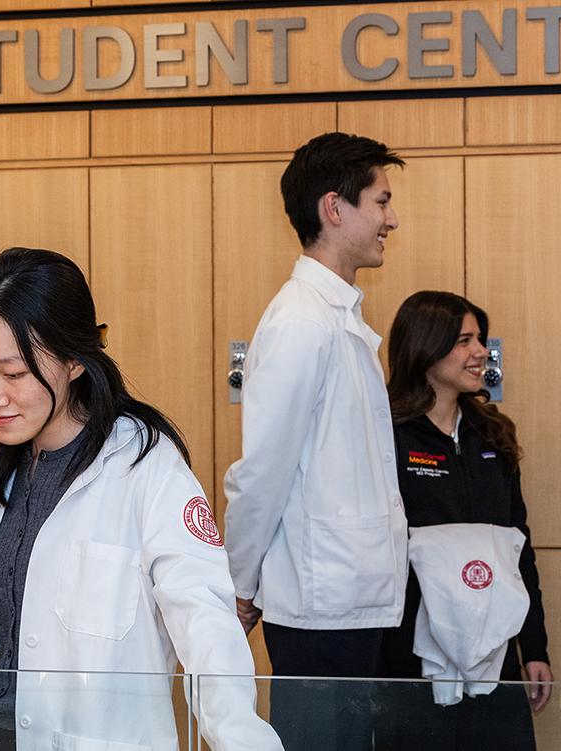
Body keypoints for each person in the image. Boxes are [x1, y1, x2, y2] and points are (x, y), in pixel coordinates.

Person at [0, 247, 281, 751]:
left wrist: (244, 740)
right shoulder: (5, 470)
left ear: (75, 358)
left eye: (13, 374)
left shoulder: (147, 469)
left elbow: (207, 628)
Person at [222, 132, 407, 751]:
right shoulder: (301, 322)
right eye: (380, 202)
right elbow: (262, 473)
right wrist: (239, 586)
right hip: (320, 604)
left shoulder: (337, 316)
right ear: (335, 208)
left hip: (350, 598)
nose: (391, 219)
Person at [375, 291, 552, 750]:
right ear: (424, 348)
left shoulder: (493, 434)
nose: (481, 352)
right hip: (413, 658)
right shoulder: (385, 436)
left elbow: (519, 547)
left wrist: (534, 648)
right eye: (464, 341)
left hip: (496, 653)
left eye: (481, 339)